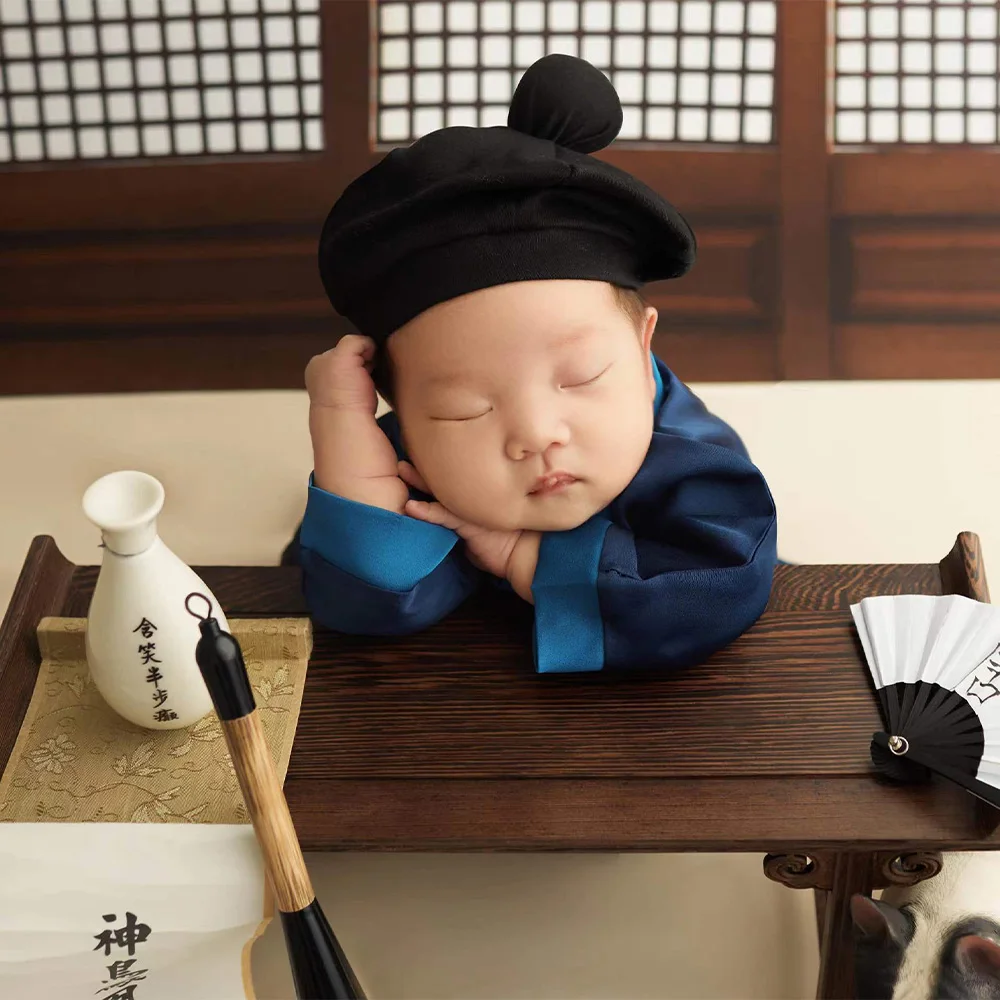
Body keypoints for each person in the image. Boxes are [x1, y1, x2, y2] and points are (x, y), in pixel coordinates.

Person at [285, 54, 778, 674]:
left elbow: (720, 587)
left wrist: (527, 558)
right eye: (467, 407)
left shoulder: (689, 454)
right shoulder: (420, 457)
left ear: (643, 346)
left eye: (582, 376)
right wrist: (341, 431)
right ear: (402, 408)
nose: (536, 434)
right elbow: (363, 606)